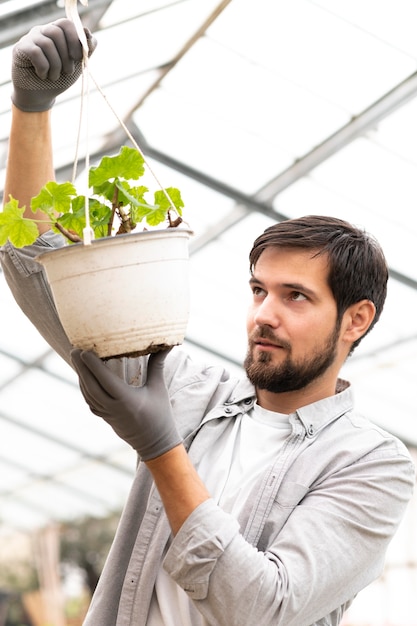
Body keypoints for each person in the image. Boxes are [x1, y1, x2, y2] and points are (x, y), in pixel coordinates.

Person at [0, 19, 415, 626]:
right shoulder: (187, 390)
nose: (264, 315)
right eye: (258, 290)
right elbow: (39, 273)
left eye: (295, 297)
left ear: (356, 319)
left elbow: (264, 608)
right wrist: (32, 109)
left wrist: (162, 448)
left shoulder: (369, 462)